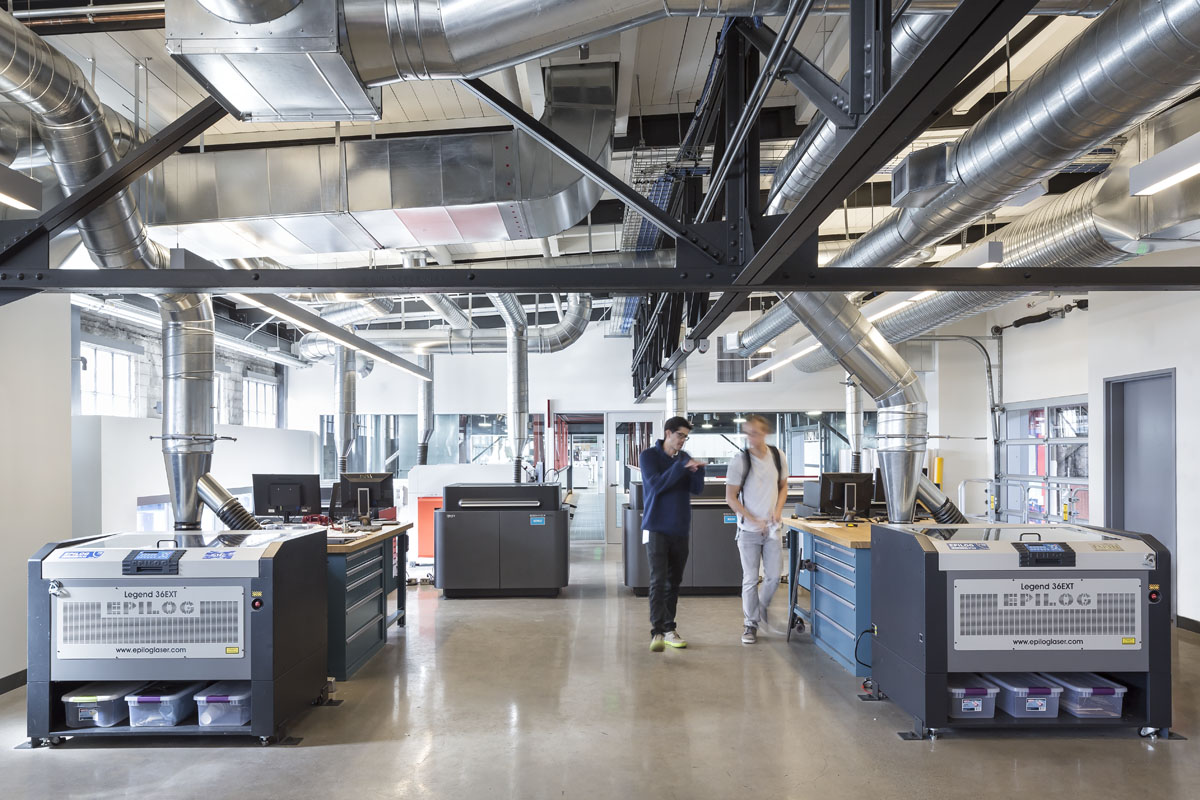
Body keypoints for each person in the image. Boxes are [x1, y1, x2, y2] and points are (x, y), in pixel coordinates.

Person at [639, 416, 706, 652]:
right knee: (658, 580)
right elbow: (656, 486)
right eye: (680, 435)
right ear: (668, 433)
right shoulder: (648, 456)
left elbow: (696, 489)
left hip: (679, 528)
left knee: (673, 582)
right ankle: (656, 632)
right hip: (656, 527)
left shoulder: (684, 459)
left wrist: (697, 471)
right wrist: (680, 467)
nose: (682, 441)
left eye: (686, 437)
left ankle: (669, 629)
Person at [724, 414, 789, 644]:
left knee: (773, 577)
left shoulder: (777, 456)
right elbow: (730, 497)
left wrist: (777, 511)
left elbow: (783, 487)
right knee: (751, 578)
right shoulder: (740, 461)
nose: (751, 437)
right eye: (748, 432)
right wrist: (752, 518)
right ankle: (750, 625)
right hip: (749, 531)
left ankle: (761, 608)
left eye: (755, 432)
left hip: (772, 529)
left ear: (765, 433)